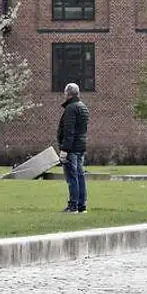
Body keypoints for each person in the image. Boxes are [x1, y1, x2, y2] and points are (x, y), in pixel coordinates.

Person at [56, 82, 89, 214]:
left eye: (65, 93)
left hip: (71, 148)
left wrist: (64, 149)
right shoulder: (83, 107)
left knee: (72, 177)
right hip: (81, 147)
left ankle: (73, 205)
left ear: (68, 94)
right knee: (80, 176)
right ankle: (82, 205)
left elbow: (69, 131)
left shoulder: (71, 108)